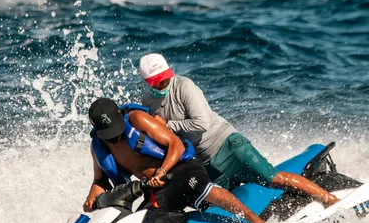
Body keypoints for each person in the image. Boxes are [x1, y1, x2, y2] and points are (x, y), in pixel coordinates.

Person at [138, 53, 340, 206]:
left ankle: (330, 199)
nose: (166, 82)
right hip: (205, 163)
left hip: (229, 146)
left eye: (167, 77)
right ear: (148, 83)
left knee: (273, 178)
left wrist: (169, 125)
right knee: (213, 205)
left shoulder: (184, 86)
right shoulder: (147, 102)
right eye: (160, 81)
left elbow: (201, 123)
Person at [83, 97, 266, 223]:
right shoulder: (98, 147)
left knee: (202, 189)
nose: (115, 137)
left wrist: (162, 170)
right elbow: (100, 181)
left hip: (180, 169)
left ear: (118, 114)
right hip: (155, 189)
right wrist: (91, 199)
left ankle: (256, 221)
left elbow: (175, 144)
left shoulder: (136, 119)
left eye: (116, 130)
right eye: (109, 134)